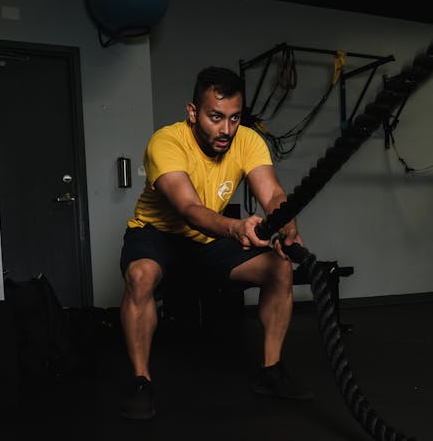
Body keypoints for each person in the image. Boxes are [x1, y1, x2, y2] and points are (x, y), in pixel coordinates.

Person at [118, 66, 313, 419]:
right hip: (159, 234)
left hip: (209, 240)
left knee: (279, 267)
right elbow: (189, 208)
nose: (226, 129)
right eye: (216, 117)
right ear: (193, 112)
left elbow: (273, 195)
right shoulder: (167, 142)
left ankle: (271, 371)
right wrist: (236, 228)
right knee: (140, 277)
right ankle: (140, 381)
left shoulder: (248, 140)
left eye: (235, 118)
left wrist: (288, 225)